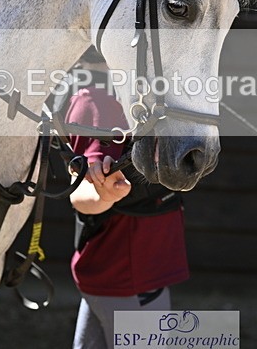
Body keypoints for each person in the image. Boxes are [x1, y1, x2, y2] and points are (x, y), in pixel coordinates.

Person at [63, 47, 189, 349]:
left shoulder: (148, 99)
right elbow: (80, 192)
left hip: (133, 270)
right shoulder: (97, 102)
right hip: (127, 275)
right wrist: (105, 195)